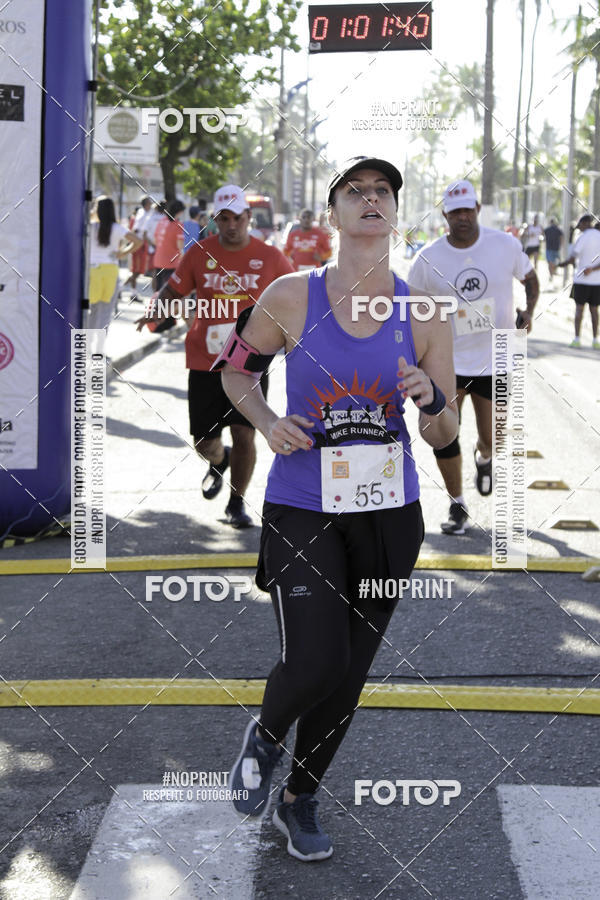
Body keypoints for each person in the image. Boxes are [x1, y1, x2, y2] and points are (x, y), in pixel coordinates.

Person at [219, 157, 458, 860]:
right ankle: (265, 738)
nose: (370, 199)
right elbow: (234, 371)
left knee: (349, 676)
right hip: (303, 504)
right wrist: (268, 422)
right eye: (355, 191)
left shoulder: (425, 313)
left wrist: (431, 399)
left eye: (383, 191)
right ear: (334, 214)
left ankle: (300, 799)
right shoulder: (291, 294)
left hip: (389, 515)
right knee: (316, 661)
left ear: (396, 213)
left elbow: (443, 433)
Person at [136, 184, 293, 527]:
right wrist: (154, 312)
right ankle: (220, 461)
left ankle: (236, 504)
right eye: (224, 219)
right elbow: (174, 289)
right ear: (215, 219)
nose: (231, 225)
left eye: (237, 218)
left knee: (245, 434)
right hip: (204, 360)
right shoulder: (198, 253)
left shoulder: (270, 256)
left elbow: (297, 293)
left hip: (250, 363)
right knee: (205, 442)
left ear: (248, 217)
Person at [409, 179, 539, 535]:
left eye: (468, 210)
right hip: (444, 363)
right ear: (445, 215)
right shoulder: (428, 258)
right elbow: (409, 306)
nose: (462, 217)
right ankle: (457, 504)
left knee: (494, 437)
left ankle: (484, 458)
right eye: (455, 212)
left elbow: (530, 278)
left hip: (495, 359)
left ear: (478, 209)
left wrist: (528, 311)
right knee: (444, 434)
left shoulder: (504, 245)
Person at [88, 196, 142, 331]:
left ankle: (87, 342)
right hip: (110, 270)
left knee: (91, 309)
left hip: (92, 271)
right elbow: (138, 241)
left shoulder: (91, 227)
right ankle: (99, 344)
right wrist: (122, 253)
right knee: (105, 311)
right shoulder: (117, 228)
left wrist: (92, 213)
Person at [557, 214, 600, 349]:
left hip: (581, 281)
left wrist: (560, 265)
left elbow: (572, 258)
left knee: (579, 310)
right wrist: (593, 269)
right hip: (597, 282)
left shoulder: (582, 237)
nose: (579, 228)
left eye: (580, 225)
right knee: (594, 310)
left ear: (586, 223)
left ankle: (577, 339)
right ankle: (595, 340)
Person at [124, 196, 153, 296]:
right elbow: (135, 230)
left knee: (139, 270)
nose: (151, 204)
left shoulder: (146, 213)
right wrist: (138, 242)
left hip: (142, 244)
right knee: (136, 270)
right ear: (146, 204)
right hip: (139, 245)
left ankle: (129, 290)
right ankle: (126, 289)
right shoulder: (142, 214)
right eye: (149, 203)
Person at [543, 217, 563, 283]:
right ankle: (552, 273)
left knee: (550, 263)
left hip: (549, 248)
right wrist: (561, 245)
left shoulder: (547, 229)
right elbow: (561, 237)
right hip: (555, 248)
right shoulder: (558, 229)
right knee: (554, 263)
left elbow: (543, 237)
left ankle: (551, 274)